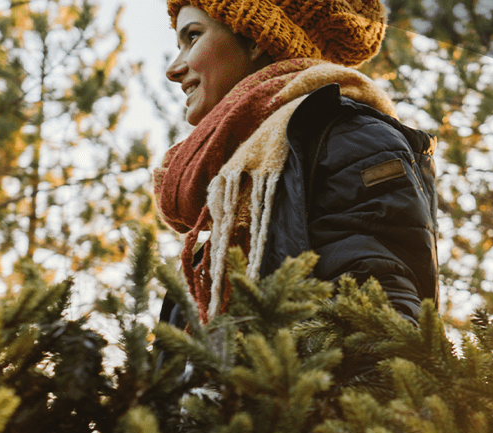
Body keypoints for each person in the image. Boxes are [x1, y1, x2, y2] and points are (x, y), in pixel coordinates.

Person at [154, 0, 438, 328]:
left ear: (256, 36)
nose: (173, 69)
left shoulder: (349, 140)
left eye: (192, 37)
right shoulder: (241, 189)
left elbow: (380, 327)